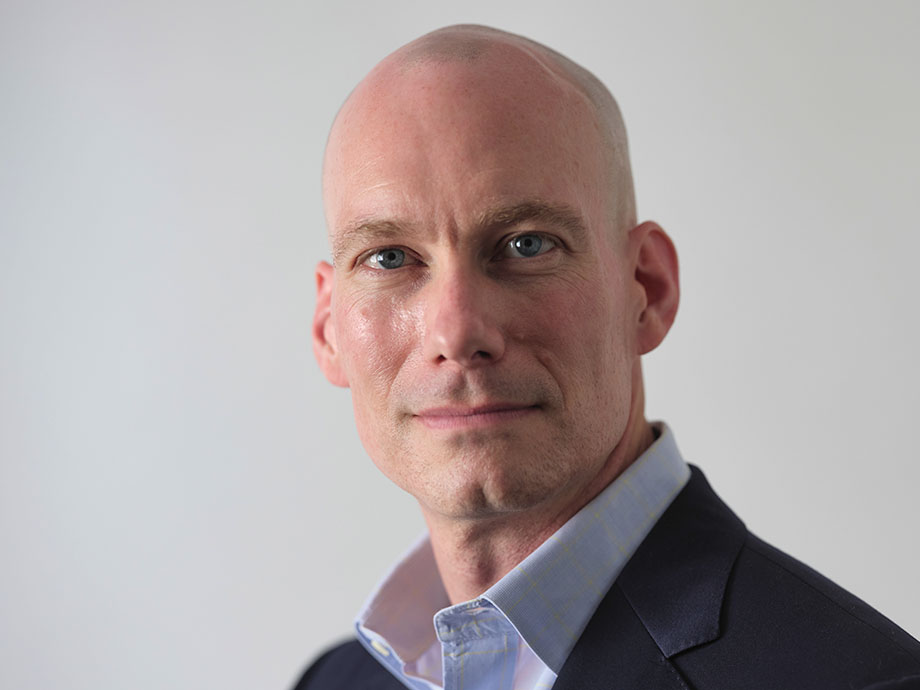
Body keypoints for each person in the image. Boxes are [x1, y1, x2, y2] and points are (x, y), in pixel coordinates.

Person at [297, 24, 920, 690]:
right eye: (389, 258)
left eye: (526, 245)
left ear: (646, 289)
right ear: (330, 327)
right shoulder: (334, 681)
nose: (457, 331)